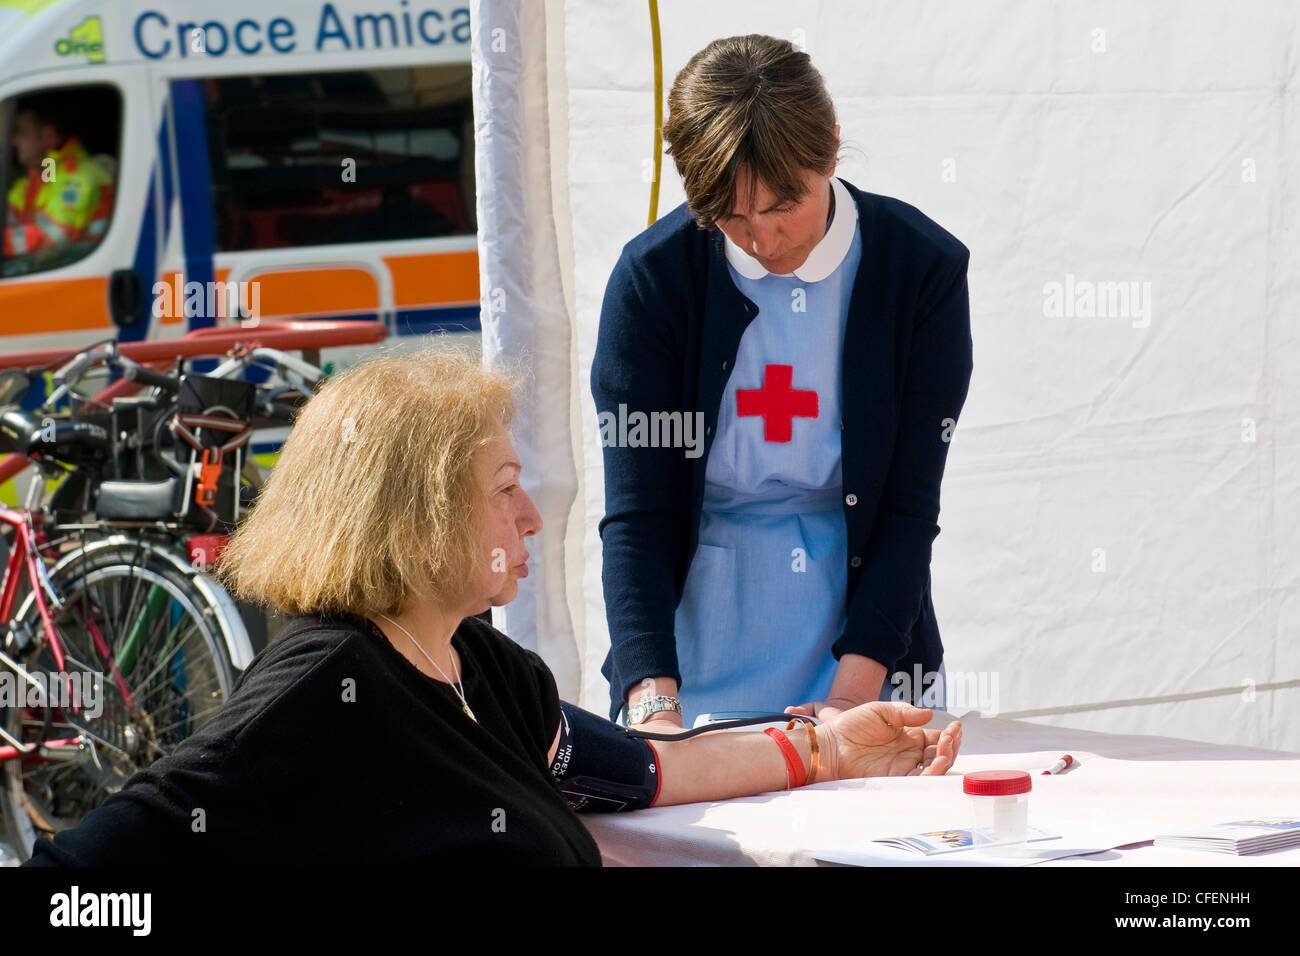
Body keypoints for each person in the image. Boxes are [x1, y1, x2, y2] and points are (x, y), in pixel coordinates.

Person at [21, 349, 962, 866]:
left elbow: (642, 771)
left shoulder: (481, 666)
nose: (531, 517)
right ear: (417, 513)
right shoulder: (324, 689)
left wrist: (824, 748)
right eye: (504, 486)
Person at [591, 35, 974, 730]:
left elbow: (908, 511)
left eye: (782, 205)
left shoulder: (921, 271)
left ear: (830, 146)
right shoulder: (653, 281)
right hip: (695, 643)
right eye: (730, 217)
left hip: (867, 645)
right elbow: (638, 517)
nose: (762, 240)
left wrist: (848, 705)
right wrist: (653, 703)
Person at [4, 96, 115, 260]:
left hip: (85, 277)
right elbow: (9, 215)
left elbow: (54, 238)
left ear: (48, 137)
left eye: (21, 132)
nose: (14, 141)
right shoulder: (38, 178)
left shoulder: (78, 176)